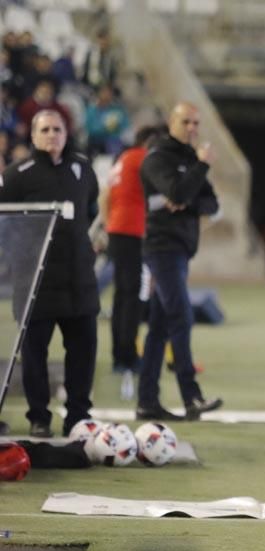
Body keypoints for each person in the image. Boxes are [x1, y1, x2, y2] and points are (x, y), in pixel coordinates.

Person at [0, 110, 100, 438]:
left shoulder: (83, 169)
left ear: (66, 133)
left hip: (79, 282)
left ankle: (78, 418)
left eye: (57, 129)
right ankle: (39, 417)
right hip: (36, 284)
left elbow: (91, 211)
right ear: (33, 136)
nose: (52, 135)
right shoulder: (18, 175)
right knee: (34, 355)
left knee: (83, 354)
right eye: (45, 129)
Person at [136, 102, 223, 422]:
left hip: (181, 250)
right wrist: (198, 173)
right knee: (181, 316)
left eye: (196, 123)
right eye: (186, 121)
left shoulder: (189, 158)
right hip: (161, 248)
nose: (192, 128)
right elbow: (179, 191)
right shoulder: (158, 158)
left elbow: (211, 203)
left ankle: (147, 401)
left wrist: (184, 199)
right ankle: (191, 396)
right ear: (171, 122)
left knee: (159, 327)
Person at [97, 126, 163, 375]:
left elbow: (105, 195)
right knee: (132, 296)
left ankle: (119, 354)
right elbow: (158, 194)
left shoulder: (123, 159)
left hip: (117, 228)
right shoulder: (143, 159)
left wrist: (107, 223)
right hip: (132, 230)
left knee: (122, 294)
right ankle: (127, 356)